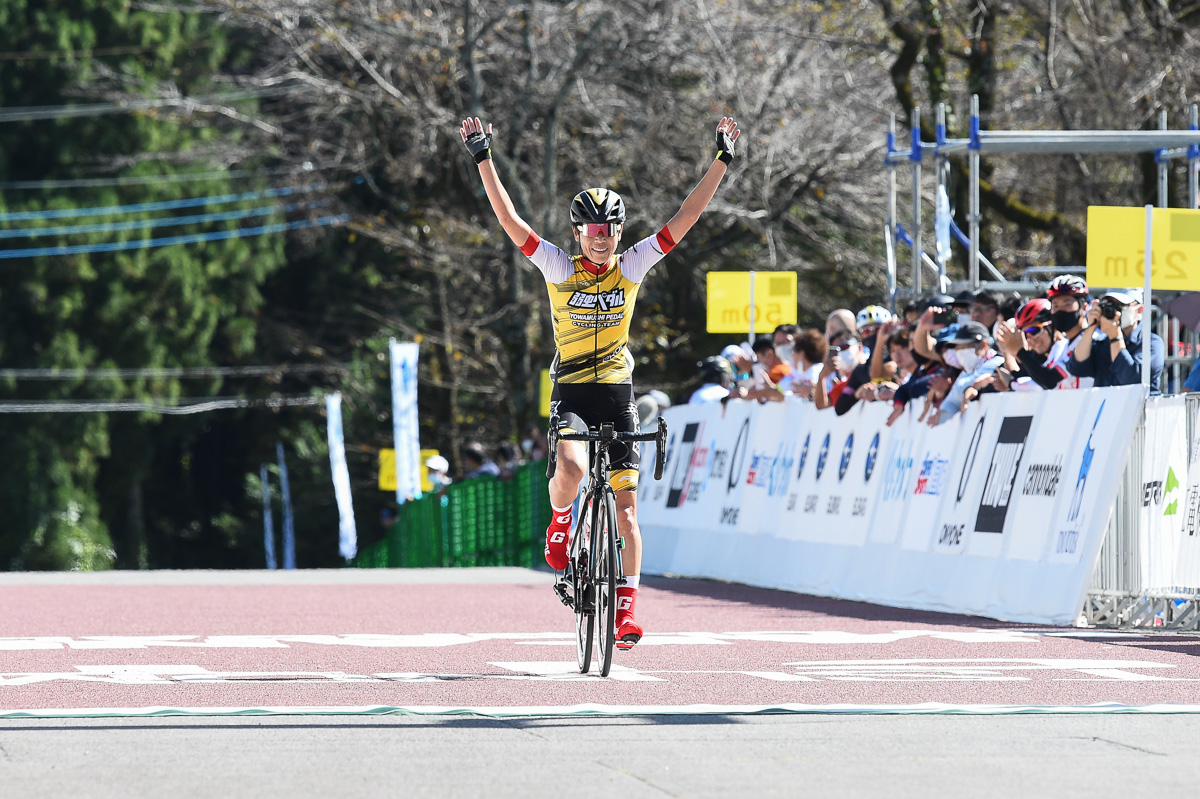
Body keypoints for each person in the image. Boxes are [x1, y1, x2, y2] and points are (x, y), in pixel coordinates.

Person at [459, 113, 740, 649]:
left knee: (628, 510)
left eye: (609, 230)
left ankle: (627, 613)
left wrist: (721, 160)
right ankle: (561, 521)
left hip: (616, 391)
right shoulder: (558, 267)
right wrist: (483, 157)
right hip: (571, 389)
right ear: (576, 232)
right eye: (591, 230)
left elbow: (685, 218)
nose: (601, 239)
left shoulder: (632, 266)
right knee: (569, 465)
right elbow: (510, 220)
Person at [1067, 289, 1165, 395]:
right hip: (1108, 408)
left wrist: (1115, 337)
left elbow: (1131, 380)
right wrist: (1091, 327)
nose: (1114, 311)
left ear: (1139, 310)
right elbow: (1076, 368)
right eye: (1110, 305)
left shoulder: (1151, 343)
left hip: (1140, 409)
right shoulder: (1103, 343)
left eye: (1120, 306)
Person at [933, 321, 1003, 424]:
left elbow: (964, 386)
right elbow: (951, 401)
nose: (960, 352)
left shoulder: (997, 362)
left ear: (983, 345)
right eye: (957, 349)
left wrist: (964, 388)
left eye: (964, 347)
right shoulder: (967, 371)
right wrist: (943, 414)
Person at [1043, 274, 1094, 389]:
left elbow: (1049, 379)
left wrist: (1019, 351)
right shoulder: (1059, 346)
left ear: (1084, 307)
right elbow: (1039, 381)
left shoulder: (1092, 342)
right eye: (1055, 306)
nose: (1060, 310)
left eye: (1067, 304)